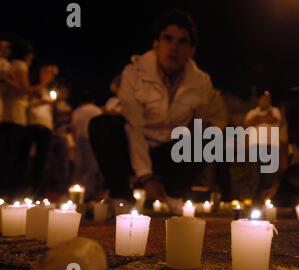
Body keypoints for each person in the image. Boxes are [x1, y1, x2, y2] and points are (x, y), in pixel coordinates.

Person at [89, 10, 227, 208]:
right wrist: (146, 177)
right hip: (134, 146)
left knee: (215, 136)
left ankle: (173, 192)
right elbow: (134, 126)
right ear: (156, 44)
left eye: (182, 42)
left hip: (171, 153)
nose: (174, 47)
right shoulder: (133, 73)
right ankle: (121, 196)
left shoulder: (202, 82)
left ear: (191, 51)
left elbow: (204, 123)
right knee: (101, 125)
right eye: (168, 39)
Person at [0, 40, 51, 198]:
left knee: (10, 156)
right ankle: (7, 194)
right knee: (10, 158)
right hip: (14, 116)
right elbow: (24, 89)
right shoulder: (19, 65)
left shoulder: (10, 65)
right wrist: (44, 82)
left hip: (12, 115)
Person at [27, 62, 59, 196]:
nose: (49, 76)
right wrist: (42, 101)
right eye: (46, 72)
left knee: (43, 161)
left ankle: (37, 192)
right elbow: (26, 105)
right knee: (28, 159)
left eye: (52, 74)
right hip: (32, 125)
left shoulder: (47, 92)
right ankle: (23, 189)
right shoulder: (31, 88)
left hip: (47, 127)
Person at [244, 90, 281, 201]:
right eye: (263, 99)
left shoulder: (275, 111)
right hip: (254, 147)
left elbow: (274, 119)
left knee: (268, 176)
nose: (265, 101)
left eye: (267, 99)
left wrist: (258, 119)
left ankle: (266, 202)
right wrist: (263, 118)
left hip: (270, 147)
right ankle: (255, 203)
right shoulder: (252, 112)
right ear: (259, 100)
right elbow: (247, 123)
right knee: (255, 177)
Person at [71, 90, 103, 201]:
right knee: (92, 168)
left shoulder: (77, 111)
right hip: (93, 140)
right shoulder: (97, 110)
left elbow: (73, 129)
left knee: (79, 167)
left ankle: (76, 195)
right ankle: (89, 194)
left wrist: (75, 142)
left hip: (80, 140)